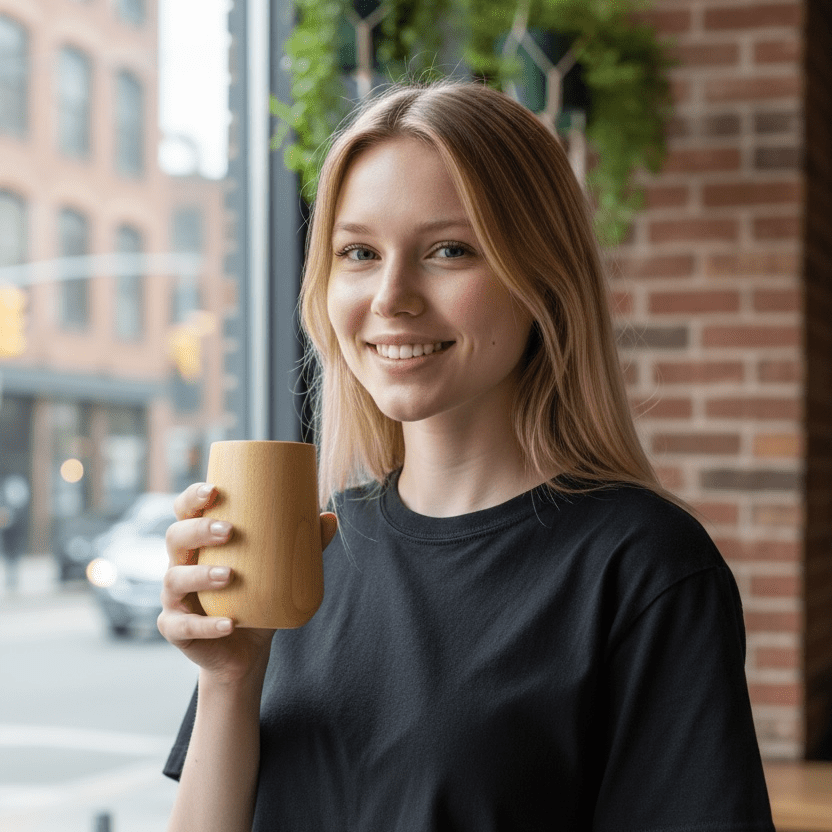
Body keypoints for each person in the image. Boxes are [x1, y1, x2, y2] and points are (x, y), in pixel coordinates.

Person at [158, 79, 776, 831]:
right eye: (358, 252)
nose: (391, 296)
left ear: (542, 278)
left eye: (449, 250)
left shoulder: (642, 568)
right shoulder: (310, 550)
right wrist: (230, 680)